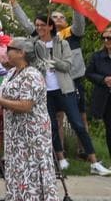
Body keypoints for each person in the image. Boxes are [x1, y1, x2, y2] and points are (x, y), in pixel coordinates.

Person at [0, 38, 60, 201]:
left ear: (22, 52)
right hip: (17, 135)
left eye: (11, 48)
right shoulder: (13, 72)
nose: (7, 51)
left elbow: (26, 105)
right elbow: (7, 96)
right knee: (20, 170)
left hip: (33, 133)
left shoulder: (32, 75)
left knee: (36, 170)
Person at [26, 13, 106, 174]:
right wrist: (14, 5)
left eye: (43, 25)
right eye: (37, 25)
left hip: (65, 90)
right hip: (45, 93)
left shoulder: (62, 43)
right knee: (52, 126)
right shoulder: (34, 44)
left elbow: (67, 66)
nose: (39, 28)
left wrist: (52, 60)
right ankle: (61, 159)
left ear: (50, 27)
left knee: (78, 124)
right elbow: (33, 64)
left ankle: (94, 162)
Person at [89, 30, 111, 175]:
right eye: (104, 38)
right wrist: (103, 79)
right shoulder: (97, 56)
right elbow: (89, 73)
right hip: (106, 99)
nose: (106, 40)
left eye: (109, 38)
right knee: (110, 131)